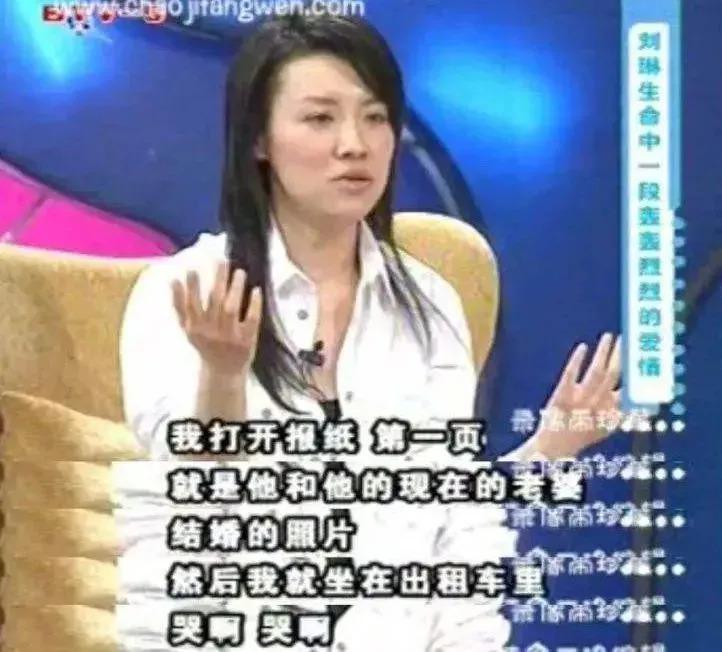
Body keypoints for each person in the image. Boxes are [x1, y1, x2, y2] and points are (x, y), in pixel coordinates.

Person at [119, 13, 621, 651]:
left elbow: (443, 517)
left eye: (375, 117)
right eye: (320, 118)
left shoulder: (431, 307)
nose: (354, 144)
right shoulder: (183, 290)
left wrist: (548, 449)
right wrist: (222, 373)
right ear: (260, 139)